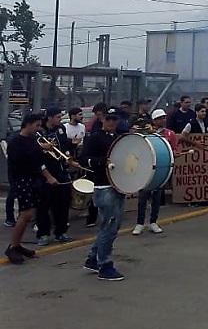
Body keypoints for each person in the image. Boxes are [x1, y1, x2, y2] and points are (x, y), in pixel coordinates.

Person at [80, 107, 125, 280]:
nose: (112, 122)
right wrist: (101, 162)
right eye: (108, 119)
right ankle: (104, 265)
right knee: (110, 228)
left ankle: (93, 258)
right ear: (102, 119)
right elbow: (84, 159)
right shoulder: (95, 137)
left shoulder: (119, 138)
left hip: (117, 185)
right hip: (103, 186)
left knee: (110, 226)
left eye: (115, 119)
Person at [5, 113, 54, 264]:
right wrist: (40, 148)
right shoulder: (16, 141)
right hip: (21, 180)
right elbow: (19, 159)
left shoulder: (32, 140)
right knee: (25, 214)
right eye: (36, 125)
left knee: (30, 213)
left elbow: (38, 162)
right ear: (27, 124)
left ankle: (17, 245)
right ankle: (12, 247)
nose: (38, 129)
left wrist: (48, 175)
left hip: (33, 179)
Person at [36, 106, 75, 245]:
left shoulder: (61, 129)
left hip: (61, 170)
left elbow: (65, 147)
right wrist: (47, 176)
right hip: (45, 173)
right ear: (49, 117)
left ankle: (61, 232)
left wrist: (69, 159)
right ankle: (43, 234)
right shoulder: (39, 132)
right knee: (44, 205)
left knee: (63, 203)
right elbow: (37, 157)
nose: (60, 119)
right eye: (58, 117)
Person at [133, 109, 175, 236]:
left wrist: (173, 154)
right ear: (155, 120)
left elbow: (173, 150)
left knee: (157, 197)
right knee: (142, 198)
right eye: (161, 118)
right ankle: (139, 223)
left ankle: (153, 222)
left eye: (164, 117)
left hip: (160, 169)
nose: (163, 120)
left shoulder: (170, 134)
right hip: (145, 170)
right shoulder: (145, 132)